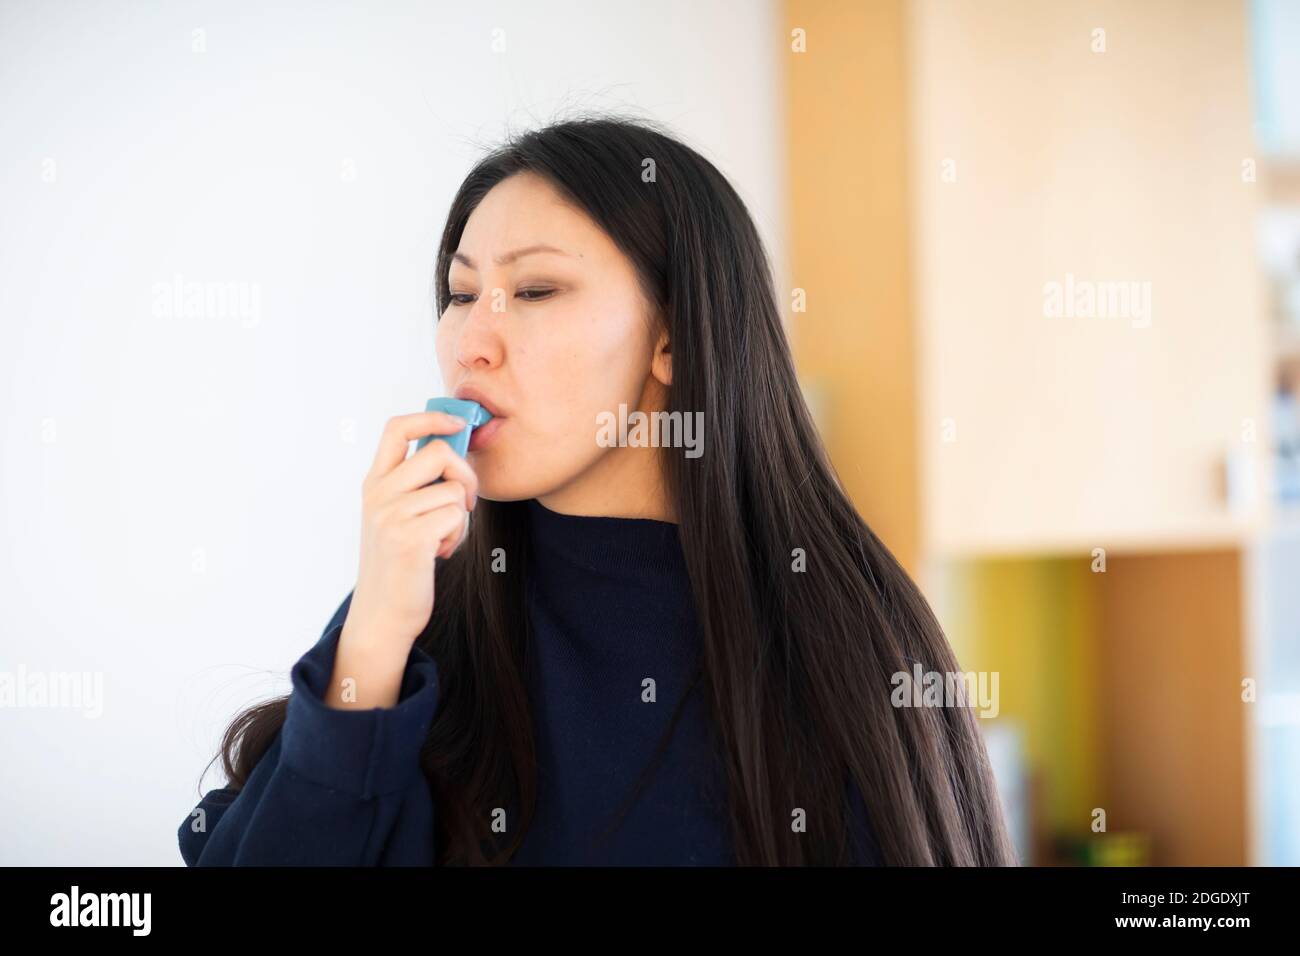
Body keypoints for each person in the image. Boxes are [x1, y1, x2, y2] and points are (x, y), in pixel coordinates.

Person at [179, 114, 1017, 866]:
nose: (470, 341)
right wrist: (370, 647)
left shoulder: (847, 643)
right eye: (461, 294)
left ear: (675, 340)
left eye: (535, 290)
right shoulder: (413, 617)